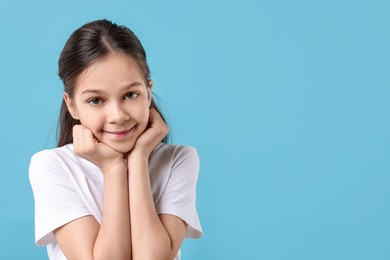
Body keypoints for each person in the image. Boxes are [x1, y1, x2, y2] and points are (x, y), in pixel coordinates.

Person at [29, 19, 202, 260]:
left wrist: (139, 158)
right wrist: (113, 168)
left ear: (148, 92)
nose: (118, 116)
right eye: (96, 100)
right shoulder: (52, 166)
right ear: (72, 105)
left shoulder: (178, 160)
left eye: (131, 95)